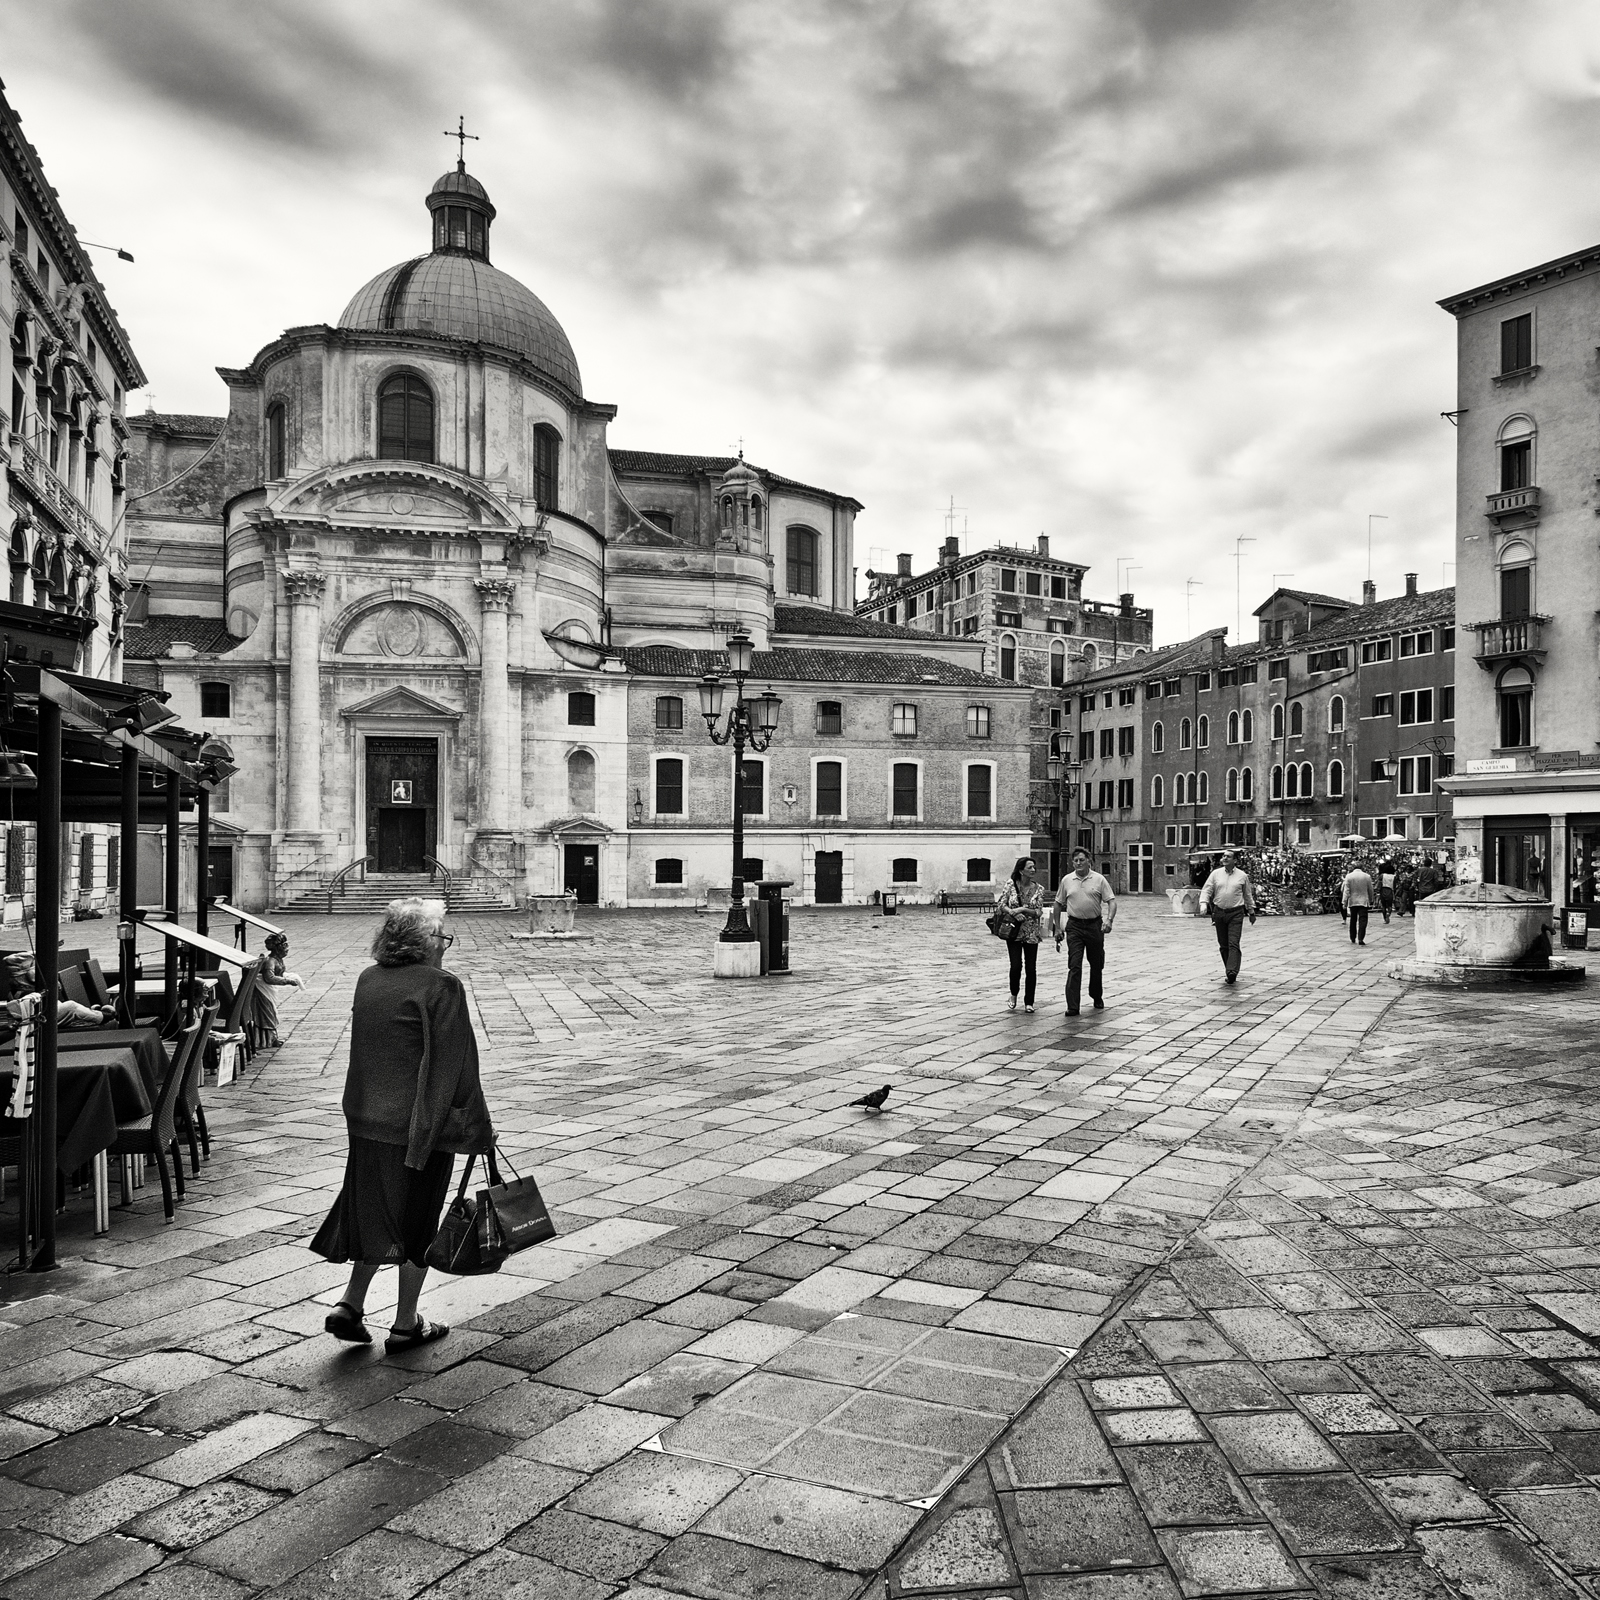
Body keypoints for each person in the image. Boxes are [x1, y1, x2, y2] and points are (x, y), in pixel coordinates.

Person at [310, 898, 492, 1353]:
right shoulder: (442, 986)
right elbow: (456, 1064)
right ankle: (406, 1323)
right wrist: (477, 1128)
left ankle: (351, 1304)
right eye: (440, 936)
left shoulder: (368, 978)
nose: (444, 945)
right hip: (418, 1125)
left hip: (366, 1118)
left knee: (374, 1210)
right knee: (417, 1219)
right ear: (422, 942)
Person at [1051, 847, 1117, 1015]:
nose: (1078, 863)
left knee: (1096, 964)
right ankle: (1072, 1005)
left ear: (1089, 861)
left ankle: (1096, 995)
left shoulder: (1099, 879)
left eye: (1081, 860)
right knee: (1075, 965)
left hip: (1094, 926)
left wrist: (1109, 920)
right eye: (1075, 861)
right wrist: (1058, 927)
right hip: (1074, 927)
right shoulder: (1067, 880)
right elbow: (1058, 904)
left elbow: (1111, 901)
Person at [995, 857, 1046, 1013]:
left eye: (1034, 867)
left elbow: (1038, 912)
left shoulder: (1039, 889)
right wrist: (1013, 912)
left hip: (1031, 932)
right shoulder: (1011, 885)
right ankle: (1013, 993)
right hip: (1014, 930)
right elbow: (1001, 904)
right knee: (1016, 965)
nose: (1033, 870)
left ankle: (1029, 1002)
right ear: (1021, 870)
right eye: (1030, 867)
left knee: (1031, 968)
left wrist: (1023, 910)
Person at [1199, 850, 1256, 984]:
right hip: (1219, 912)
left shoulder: (1242, 876)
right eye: (1224, 856)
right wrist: (1203, 903)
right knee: (1223, 945)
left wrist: (1251, 912)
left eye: (1228, 856)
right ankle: (1230, 967)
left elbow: (1247, 895)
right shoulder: (1215, 874)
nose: (1224, 858)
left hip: (1236, 913)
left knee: (1233, 943)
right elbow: (1207, 889)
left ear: (1235, 860)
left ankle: (1231, 972)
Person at [252, 931, 304, 1048]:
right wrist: (287, 981)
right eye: (285, 950)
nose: (287, 952)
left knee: (272, 1012)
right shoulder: (270, 961)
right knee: (267, 1014)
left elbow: (278, 973)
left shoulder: (277, 959)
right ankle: (264, 1040)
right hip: (263, 990)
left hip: (270, 990)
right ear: (278, 950)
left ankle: (272, 1038)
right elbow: (269, 978)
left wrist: (288, 976)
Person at [1341, 861, 1374, 946]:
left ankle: (1352, 937)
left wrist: (1344, 902)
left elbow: (1346, 891)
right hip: (1363, 901)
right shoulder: (1367, 876)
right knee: (1363, 920)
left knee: (1353, 920)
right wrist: (1371, 899)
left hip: (1353, 901)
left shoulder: (1349, 876)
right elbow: (1370, 889)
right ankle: (1361, 938)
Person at [1378, 859, 1397, 923]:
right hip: (1390, 890)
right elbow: (1394, 886)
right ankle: (1388, 913)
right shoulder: (1394, 877)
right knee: (1390, 905)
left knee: (1383, 905)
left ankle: (1384, 918)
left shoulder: (1382, 875)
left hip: (1383, 890)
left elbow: (1379, 883)